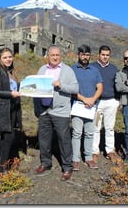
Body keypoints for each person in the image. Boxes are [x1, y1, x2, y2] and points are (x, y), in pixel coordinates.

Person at [33, 45, 79, 181]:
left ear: (61, 56)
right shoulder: (42, 69)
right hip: (44, 110)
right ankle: (45, 163)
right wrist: (37, 109)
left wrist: (61, 85)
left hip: (60, 111)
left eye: (57, 55)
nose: (54, 57)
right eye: (52, 55)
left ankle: (67, 167)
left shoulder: (68, 70)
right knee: (44, 139)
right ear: (48, 56)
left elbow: (75, 88)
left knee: (64, 139)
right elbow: (35, 89)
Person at [71, 44, 103, 170]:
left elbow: (100, 87)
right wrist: (84, 99)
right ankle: (75, 159)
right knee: (77, 133)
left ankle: (89, 158)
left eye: (87, 54)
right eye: (83, 54)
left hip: (91, 107)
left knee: (90, 133)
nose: (85, 57)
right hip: (77, 105)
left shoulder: (95, 70)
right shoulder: (72, 69)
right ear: (78, 55)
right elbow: (70, 88)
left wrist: (93, 99)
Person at [90, 45, 120, 162]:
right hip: (97, 103)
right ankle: (94, 151)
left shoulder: (113, 68)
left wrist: (118, 101)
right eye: (103, 54)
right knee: (96, 127)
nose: (105, 57)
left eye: (107, 55)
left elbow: (117, 85)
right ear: (99, 54)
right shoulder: (92, 67)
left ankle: (110, 151)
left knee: (109, 127)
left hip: (111, 102)